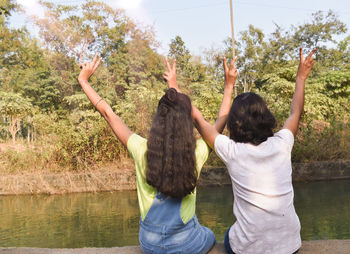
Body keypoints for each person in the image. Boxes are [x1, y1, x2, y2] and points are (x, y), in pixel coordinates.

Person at [77, 54, 238, 253]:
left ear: (158, 120)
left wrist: (83, 80)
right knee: (210, 235)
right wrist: (229, 85)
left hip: (150, 245)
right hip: (186, 245)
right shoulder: (195, 153)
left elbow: (108, 113)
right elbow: (217, 126)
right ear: (186, 122)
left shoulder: (140, 148)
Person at [191, 47, 316, 254]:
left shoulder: (232, 151)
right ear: (265, 116)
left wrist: (228, 85)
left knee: (229, 234)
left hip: (249, 249)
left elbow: (200, 121)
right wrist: (301, 77)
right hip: (290, 246)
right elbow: (296, 111)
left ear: (234, 123)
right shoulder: (282, 143)